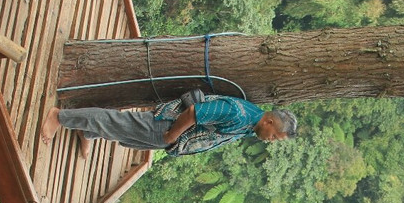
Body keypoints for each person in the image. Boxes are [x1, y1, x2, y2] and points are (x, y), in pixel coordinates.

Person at [40, 89, 298, 158]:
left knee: (123, 134)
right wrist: (171, 136)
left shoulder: (250, 127)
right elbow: (196, 112)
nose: (270, 141)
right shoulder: (239, 113)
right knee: (116, 122)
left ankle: (87, 132)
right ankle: (59, 117)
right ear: (269, 121)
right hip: (166, 126)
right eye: (274, 136)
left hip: (169, 138)